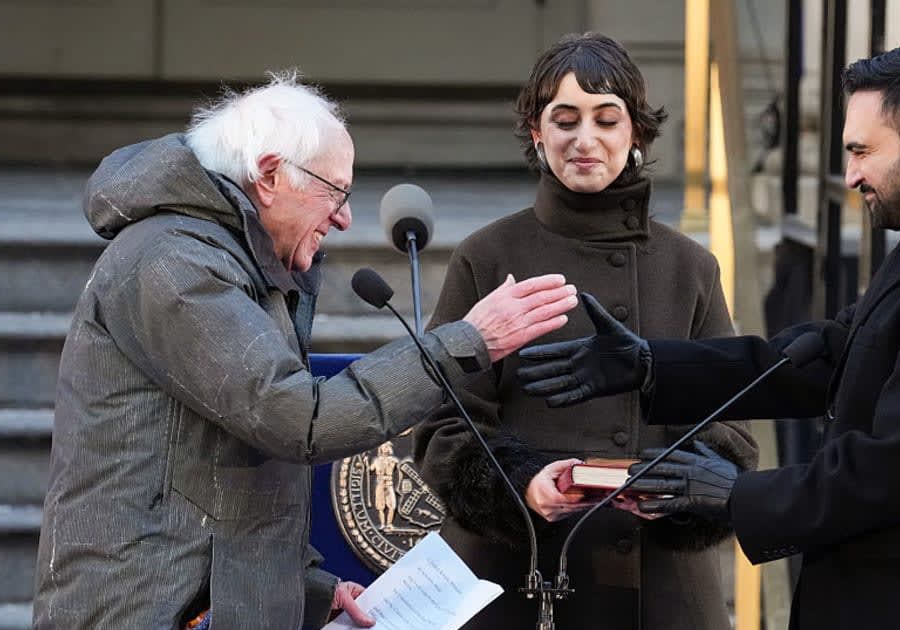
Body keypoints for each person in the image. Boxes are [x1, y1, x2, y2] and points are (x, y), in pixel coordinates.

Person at [517, 43, 900, 630]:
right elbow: (832, 353)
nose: (852, 174)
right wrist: (653, 367)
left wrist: (738, 494)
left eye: (862, 152)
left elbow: (896, 470)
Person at [33, 73, 578, 630]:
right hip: (142, 607)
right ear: (269, 175)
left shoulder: (227, 259)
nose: (343, 217)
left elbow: (221, 476)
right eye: (334, 192)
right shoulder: (173, 264)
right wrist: (466, 342)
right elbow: (297, 419)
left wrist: (309, 589)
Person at [413, 33, 757, 629]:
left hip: (659, 589)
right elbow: (443, 428)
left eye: (607, 118)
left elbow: (733, 434)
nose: (585, 139)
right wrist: (522, 485)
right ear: (537, 133)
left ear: (637, 135)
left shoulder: (689, 267)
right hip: (513, 577)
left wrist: (673, 488)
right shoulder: (486, 255)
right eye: (564, 120)